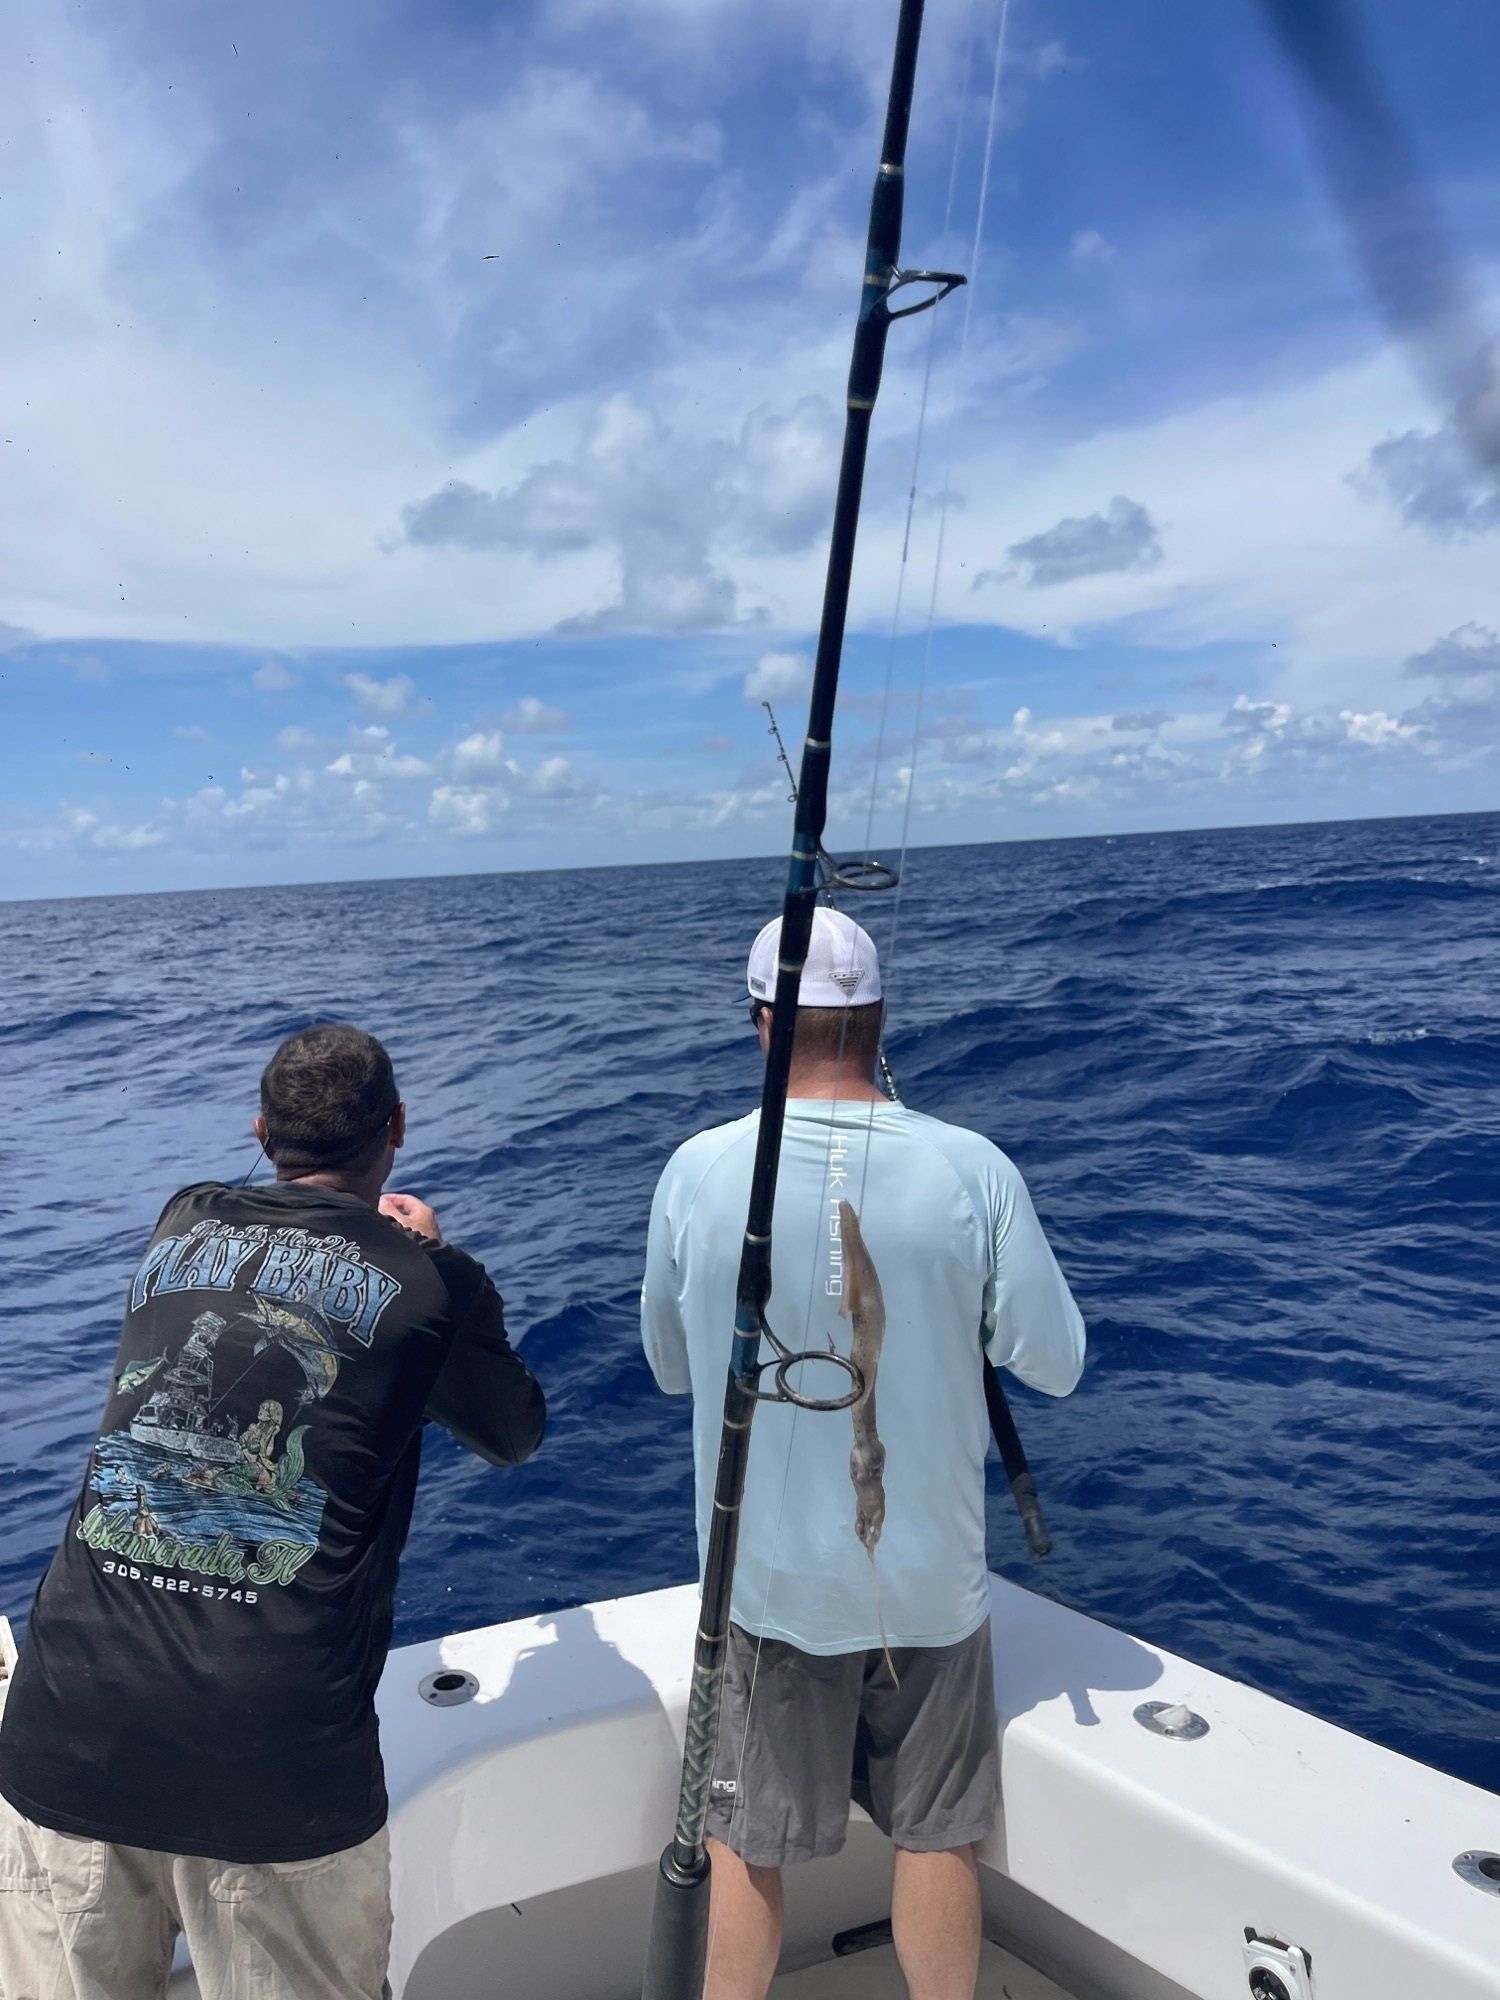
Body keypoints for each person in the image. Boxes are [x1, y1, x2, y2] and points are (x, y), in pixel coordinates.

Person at [0, 1024, 545, 2000]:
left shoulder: (180, 1219)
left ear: (260, 1130)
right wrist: (439, 1257)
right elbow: (512, 1432)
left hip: (63, 1725)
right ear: (398, 1128)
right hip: (272, 1763)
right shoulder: (428, 1282)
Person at [641, 910, 1085, 2000]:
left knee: (745, 1844)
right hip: (931, 1589)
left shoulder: (697, 1171)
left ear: (763, 1022)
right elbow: (1057, 1361)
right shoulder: (973, 1168)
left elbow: (669, 1367)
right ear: (879, 1018)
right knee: (937, 1837)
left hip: (765, 1593)